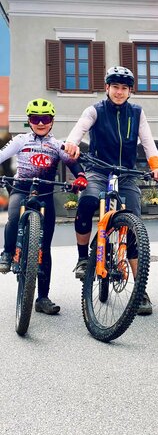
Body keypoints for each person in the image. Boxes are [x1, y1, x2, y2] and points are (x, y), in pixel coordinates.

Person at [64, 66, 158, 316]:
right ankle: (83, 258)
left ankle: (139, 289)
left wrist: (157, 166)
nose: (119, 92)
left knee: (134, 226)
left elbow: (148, 142)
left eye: (124, 88)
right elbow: (79, 129)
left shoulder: (137, 113)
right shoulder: (95, 110)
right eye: (115, 87)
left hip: (127, 173)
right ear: (107, 87)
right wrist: (71, 143)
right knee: (88, 201)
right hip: (99, 169)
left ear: (130, 91)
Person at [0, 98, 87, 314]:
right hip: (21, 189)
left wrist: (81, 177)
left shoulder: (57, 145)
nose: (40, 123)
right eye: (35, 119)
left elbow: (73, 163)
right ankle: (7, 253)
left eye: (45, 119)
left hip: (46, 193)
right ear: (29, 120)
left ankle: (43, 298)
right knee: (12, 218)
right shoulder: (20, 140)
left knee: (44, 248)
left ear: (52, 121)